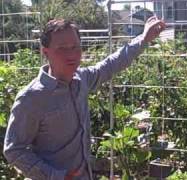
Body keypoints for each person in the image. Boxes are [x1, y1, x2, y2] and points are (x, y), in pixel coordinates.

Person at [3, 16, 166, 180]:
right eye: (62, 48)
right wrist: (55, 176)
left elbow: (111, 64)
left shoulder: (81, 80)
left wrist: (144, 38)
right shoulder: (32, 98)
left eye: (75, 47)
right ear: (45, 52)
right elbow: (14, 149)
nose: (71, 54)